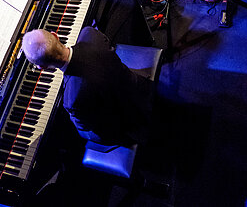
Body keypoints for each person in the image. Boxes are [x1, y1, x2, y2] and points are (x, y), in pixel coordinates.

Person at [22, 26, 154, 146]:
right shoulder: (90, 34)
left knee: (82, 132)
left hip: (128, 124)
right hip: (138, 86)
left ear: (42, 67)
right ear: (55, 35)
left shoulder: (72, 100)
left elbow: (85, 126)